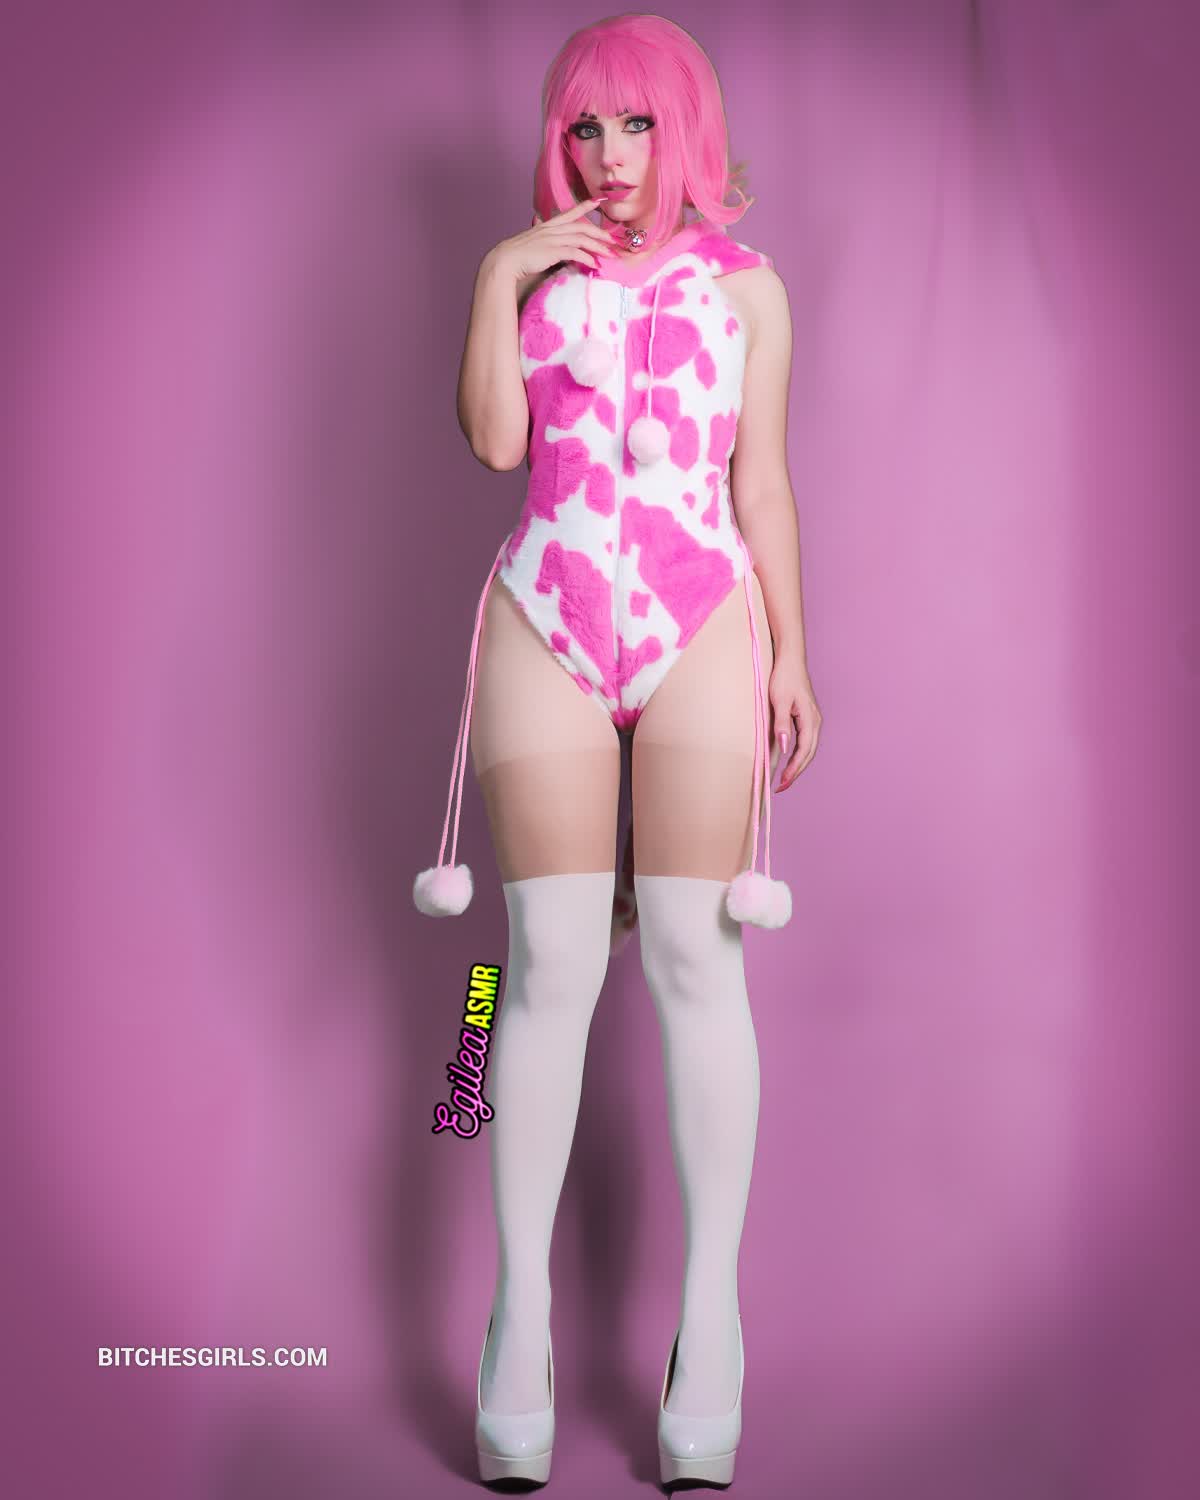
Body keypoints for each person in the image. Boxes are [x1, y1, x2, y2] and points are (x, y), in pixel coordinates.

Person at [414, 12, 821, 1488]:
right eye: (584, 126)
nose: (608, 154)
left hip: (704, 619)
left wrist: (795, 655)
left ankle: (709, 1325)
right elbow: (492, 447)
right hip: (548, 618)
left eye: (637, 124)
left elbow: (761, 487)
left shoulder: (750, 291)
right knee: (537, 966)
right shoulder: (536, 282)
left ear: (684, 130)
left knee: (698, 959)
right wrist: (497, 273)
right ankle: (519, 1320)